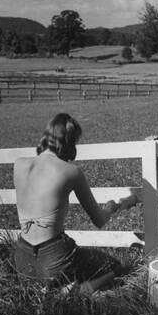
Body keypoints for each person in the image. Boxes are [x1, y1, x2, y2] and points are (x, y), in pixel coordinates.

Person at [13, 113, 140, 293]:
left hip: (23, 260)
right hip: (55, 258)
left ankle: (50, 288)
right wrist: (112, 208)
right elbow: (99, 220)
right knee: (116, 267)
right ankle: (79, 291)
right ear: (69, 141)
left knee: (42, 275)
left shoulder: (19, 164)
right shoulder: (71, 172)